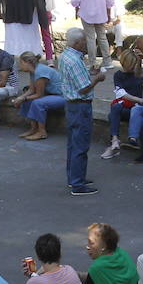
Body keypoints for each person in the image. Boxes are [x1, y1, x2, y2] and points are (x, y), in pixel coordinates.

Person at [56, 27, 107, 195]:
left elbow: (74, 78)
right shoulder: (75, 61)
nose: (87, 43)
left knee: (73, 143)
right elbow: (84, 88)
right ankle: (78, 183)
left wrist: (89, 72)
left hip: (71, 105)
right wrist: (97, 79)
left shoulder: (65, 56)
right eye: (85, 41)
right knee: (80, 144)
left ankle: (74, 178)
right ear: (77, 43)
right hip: (80, 105)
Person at [100, 48, 143, 159]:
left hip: (136, 109)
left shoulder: (139, 73)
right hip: (127, 107)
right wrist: (139, 100)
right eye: (129, 65)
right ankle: (115, 140)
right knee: (116, 107)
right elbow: (121, 94)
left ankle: (115, 142)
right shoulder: (118, 75)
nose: (131, 68)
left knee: (119, 112)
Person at [9, 50, 63, 141]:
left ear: (27, 62)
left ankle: (42, 132)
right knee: (27, 101)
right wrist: (21, 98)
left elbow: (39, 95)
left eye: (21, 63)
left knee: (38, 103)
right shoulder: (33, 71)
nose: (20, 66)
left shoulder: (40, 72)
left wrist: (23, 98)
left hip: (62, 96)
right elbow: (31, 89)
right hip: (51, 94)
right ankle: (33, 129)